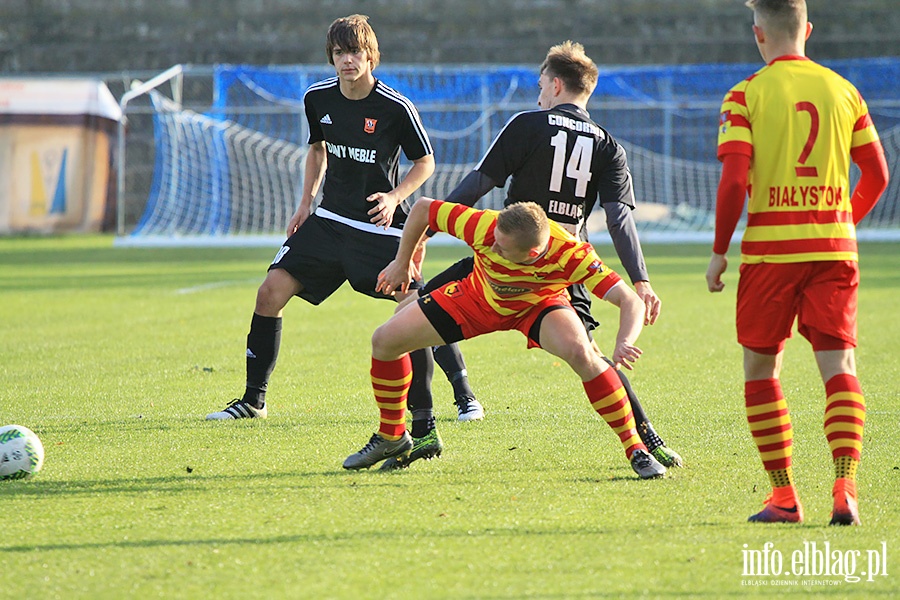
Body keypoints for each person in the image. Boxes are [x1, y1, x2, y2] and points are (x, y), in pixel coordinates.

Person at [381, 41, 682, 471]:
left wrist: (428, 230)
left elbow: (478, 183)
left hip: (504, 257)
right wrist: (641, 280)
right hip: (566, 264)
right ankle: (648, 440)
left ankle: (424, 425)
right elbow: (619, 220)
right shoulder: (609, 145)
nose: (539, 92)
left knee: (412, 310)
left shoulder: (528, 124)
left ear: (556, 85)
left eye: (542, 84)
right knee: (591, 358)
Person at [206, 14, 467, 423]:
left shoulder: (396, 107)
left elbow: (425, 162)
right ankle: (253, 401)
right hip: (328, 221)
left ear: (370, 56)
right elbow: (316, 151)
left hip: (377, 226)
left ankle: (463, 395)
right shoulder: (317, 98)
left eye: (355, 52)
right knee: (269, 292)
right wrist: (304, 204)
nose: (347, 60)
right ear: (332, 57)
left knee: (415, 305)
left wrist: (396, 196)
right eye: (340, 52)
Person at [706, 0, 889, 525]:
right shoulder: (844, 91)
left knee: (761, 369)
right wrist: (840, 220)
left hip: (769, 254)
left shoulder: (745, 95)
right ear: (807, 30)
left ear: (758, 33)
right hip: (833, 250)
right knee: (840, 368)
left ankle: (784, 497)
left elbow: (735, 181)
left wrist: (719, 252)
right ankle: (846, 487)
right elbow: (876, 174)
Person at [343, 198, 668, 479]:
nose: (492, 246)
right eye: (495, 239)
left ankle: (636, 449)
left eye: (503, 247)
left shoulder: (571, 253)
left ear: (533, 252)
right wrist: (402, 262)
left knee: (584, 354)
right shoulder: (485, 225)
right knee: (385, 340)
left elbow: (629, 300)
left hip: (538, 305)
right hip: (477, 298)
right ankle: (392, 436)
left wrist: (625, 339)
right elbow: (424, 209)